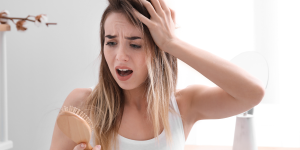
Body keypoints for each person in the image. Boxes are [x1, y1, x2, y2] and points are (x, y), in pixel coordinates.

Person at [50, 0, 265, 150]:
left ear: (158, 50)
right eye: (111, 42)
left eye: (135, 45)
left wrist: (173, 43)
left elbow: (252, 93)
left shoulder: (182, 107)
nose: (120, 56)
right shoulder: (82, 105)